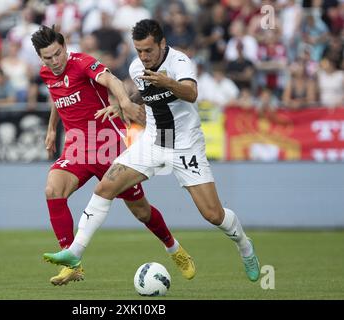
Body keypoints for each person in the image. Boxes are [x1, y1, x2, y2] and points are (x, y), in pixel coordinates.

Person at [43, 19, 260, 282]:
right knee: (104, 189)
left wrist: (166, 81)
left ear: (162, 44)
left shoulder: (179, 62)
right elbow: (143, 94)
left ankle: (245, 246)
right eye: (138, 51)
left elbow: (191, 93)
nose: (143, 56)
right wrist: (121, 105)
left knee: (213, 214)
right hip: (154, 141)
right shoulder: (137, 67)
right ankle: (74, 253)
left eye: (148, 50)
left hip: (184, 143)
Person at [31, 26, 195, 286]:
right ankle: (72, 264)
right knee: (53, 190)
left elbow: (111, 80)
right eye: (47, 58)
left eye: (57, 54)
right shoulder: (47, 73)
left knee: (141, 212)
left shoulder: (83, 63)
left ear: (64, 47)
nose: (54, 61)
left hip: (107, 145)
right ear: (41, 59)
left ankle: (174, 249)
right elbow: (56, 95)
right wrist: (52, 129)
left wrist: (126, 103)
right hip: (76, 147)